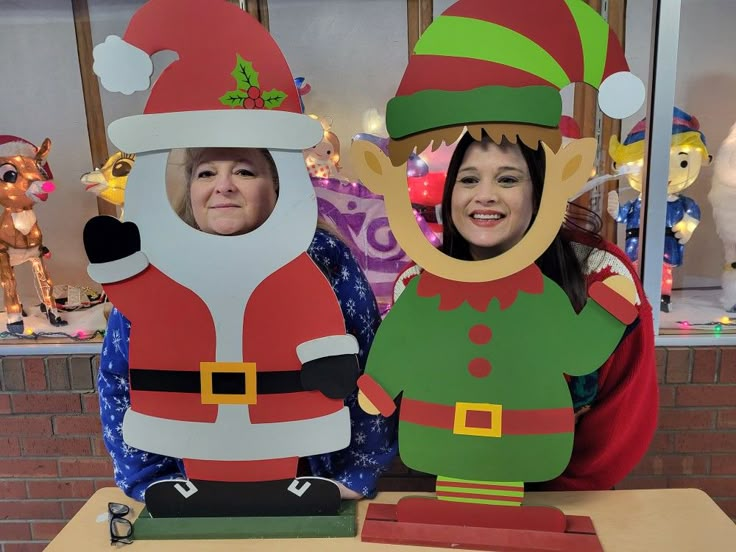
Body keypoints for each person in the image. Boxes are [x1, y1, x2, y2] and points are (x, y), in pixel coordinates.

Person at [97, 147, 397, 505]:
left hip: (309, 481)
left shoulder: (324, 258)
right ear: (190, 190)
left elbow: (370, 365)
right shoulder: (157, 267)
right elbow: (119, 378)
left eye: (243, 172)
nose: (223, 186)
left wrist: (354, 474)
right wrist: (151, 480)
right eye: (206, 173)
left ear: (276, 187)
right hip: (187, 482)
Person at [437, 131, 658, 491]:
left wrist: (556, 496)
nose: (485, 195)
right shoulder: (424, 284)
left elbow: (623, 416)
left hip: (569, 502)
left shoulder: (600, 273)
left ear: (539, 194)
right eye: (469, 179)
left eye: (507, 179)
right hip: (459, 492)